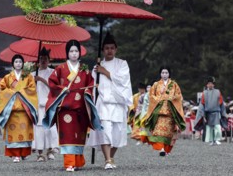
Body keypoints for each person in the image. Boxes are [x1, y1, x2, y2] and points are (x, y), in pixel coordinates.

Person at [43, 40, 102, 172]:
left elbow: (90, 85)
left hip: (80, 108)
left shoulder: (84, 69)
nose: (74, 54)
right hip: (65, 109)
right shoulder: (60, 69)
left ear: (79, 53)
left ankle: (77, 162)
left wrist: (88, 91)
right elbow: (52, 83)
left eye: (76, 51)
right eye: (71, 51)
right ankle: (69, 163)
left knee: (79, 136)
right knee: (67, 135)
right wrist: (62, 89)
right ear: (67, 53)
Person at [87, 32, 133, 170]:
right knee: (105, 131)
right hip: (103, 104)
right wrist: (98, 71)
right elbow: (93, 87)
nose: (109, 50)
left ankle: (111, 157)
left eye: (112, 48)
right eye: (106, 48)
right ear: (103, 50)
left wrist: (105, 71)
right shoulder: (96, 67)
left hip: (118, 104)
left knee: (117, 135)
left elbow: (123, 81)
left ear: (116, 49)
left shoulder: (122, 64)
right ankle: (107, 160)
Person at [0, 54, 38, 163]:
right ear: (13, 64)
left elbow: (32, 89)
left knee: (25, 132)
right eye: (16, 62)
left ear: (23, 64)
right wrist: (13, 92)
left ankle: (24, 154)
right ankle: (16, 155)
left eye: (20, 62)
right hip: (12, 110)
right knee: (13, 134)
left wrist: (22, 92)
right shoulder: (7, 77)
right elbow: (2, 89)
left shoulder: (28, 76)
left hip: (25, 109)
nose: (18, 64)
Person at [143, 66, 185, 156]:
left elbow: (179, 96)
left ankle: (166, 150)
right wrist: (159, 99)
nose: (164, 74)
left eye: (166, 73)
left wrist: (172, 98)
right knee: (158, 132)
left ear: (169, 74)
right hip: (159, 111)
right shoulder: (156, 84)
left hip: (170, 111)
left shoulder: (174, 84)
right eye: (163, 73)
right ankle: (161, 149)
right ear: (160, 74)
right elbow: (151, 96)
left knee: (169, 133)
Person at [31, 47, 58, 162]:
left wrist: (41, 80)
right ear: (38, 61)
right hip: (37, 104)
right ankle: (40, 153)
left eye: (45, 58)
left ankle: (50, 151)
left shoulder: (53, 72)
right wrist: (33, 82)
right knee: (39, 129)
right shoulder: (32, 74)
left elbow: (55, 88)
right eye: (41, 58)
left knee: (50, 129)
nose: (43, 61)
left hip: (49, 103)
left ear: (49, 60)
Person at [194, 76, 227, 145]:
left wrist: (222, 112)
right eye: (209, 83)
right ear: (207, 85)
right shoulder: (204, 93)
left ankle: (217, 139)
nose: (210, 85)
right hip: (208, 113)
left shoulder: (218, 92)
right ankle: (211, 140)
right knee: (209, 128)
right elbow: (202, 104)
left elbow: (221, 103)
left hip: (216, 112)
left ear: (213, 84)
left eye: (211, 83)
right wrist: (202, 114)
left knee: (217, 127)